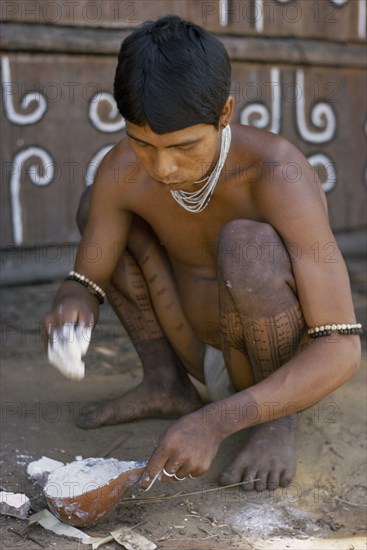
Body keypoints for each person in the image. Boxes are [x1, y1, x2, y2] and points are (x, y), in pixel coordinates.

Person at [43, 15, 362, 492]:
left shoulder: (276, 172)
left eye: (184, 146)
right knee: (97, 203)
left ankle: (275, 425)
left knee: (246, 245)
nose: (163, 167)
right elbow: (86, 277)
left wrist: (216, 421)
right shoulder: (125, 169)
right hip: (192, 342)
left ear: (225, 112)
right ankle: (165, 383)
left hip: (274, 374)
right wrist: (74, 303)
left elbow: (340, 346)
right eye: (142, 143)